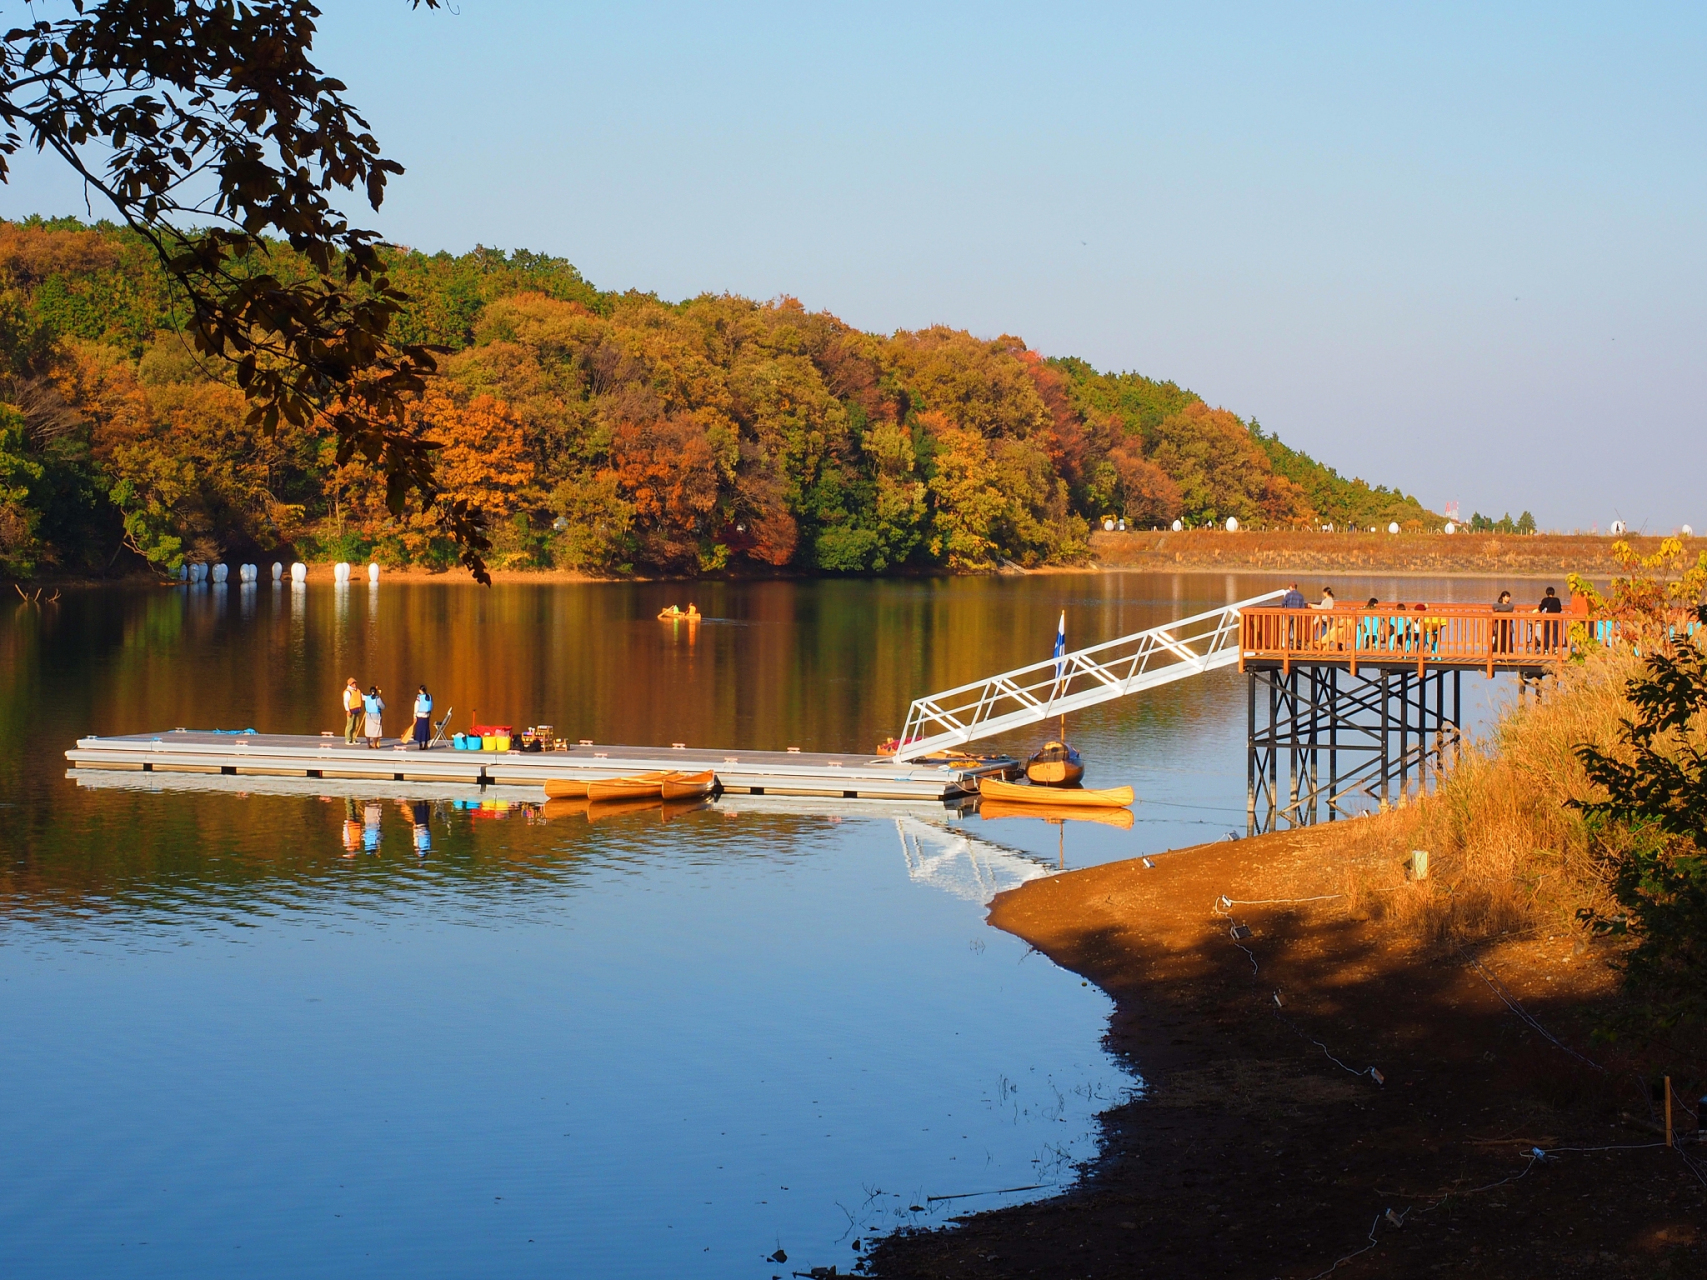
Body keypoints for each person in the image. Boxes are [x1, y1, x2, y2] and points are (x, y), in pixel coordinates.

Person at [1538, 585, 1563, 650]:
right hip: (1556, 618)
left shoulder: (1545, 600)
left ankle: (1546, 649)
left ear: (1547, 593)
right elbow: (1560, 609)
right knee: (1555, 634)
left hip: (1547, 618)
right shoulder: (1557, 600)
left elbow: (1540, 608)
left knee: (1546, 634)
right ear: (1553, 593)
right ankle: (1556, 648)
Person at [412, 685, 433, 750]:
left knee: (420, 730)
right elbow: (431, 705)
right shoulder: (429, 696)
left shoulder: (419, 697)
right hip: (426, 716)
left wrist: (414, 715)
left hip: (420, 716)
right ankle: (426, 744)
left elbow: (416, 706)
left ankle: (420, 745)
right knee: (426, 730)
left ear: (420, 690)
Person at [342, 677, 363, 745]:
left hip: (357, 710)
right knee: (350, 725)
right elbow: (345, 702)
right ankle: (348, 739)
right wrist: (348, 710)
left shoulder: (358, 690)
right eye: (353, 683)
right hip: (351, 711)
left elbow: (362, 697)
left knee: (356, 725)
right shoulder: (348, 692)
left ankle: (354, 739)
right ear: (350, 684)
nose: (354, 684)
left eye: (355, 683)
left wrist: (371, 697)